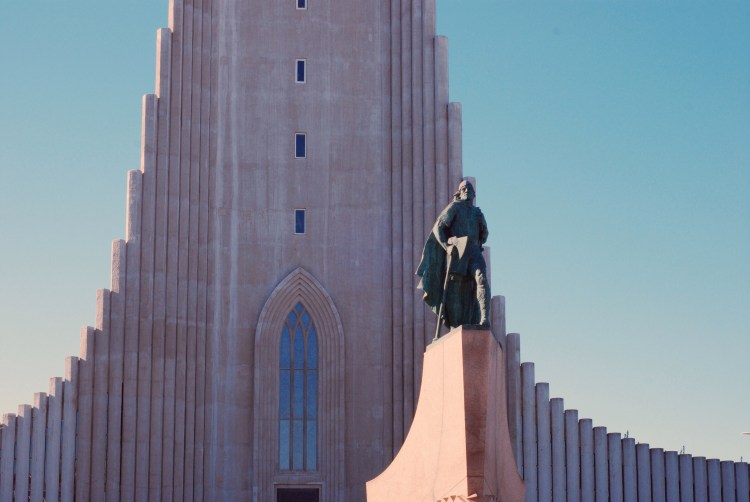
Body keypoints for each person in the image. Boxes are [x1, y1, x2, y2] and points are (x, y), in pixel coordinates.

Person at [417, 179, 490, 333]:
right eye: (463, 188)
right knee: (455, 288)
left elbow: (484, 236)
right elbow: (438, 228)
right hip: (459, 250)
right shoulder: (455, 207)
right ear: (459, 192)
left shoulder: (477, 213)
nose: (466, 191)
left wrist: (480, 233)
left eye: (469, 188)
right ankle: (455, 326)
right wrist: (446, 246)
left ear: (474, 194)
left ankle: (484, 319)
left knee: (481, 278)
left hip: (474, 251)